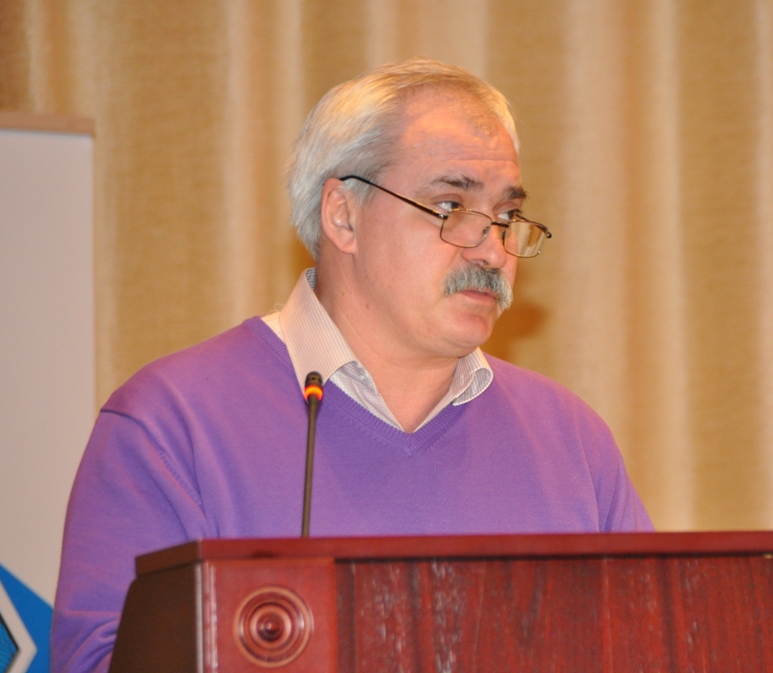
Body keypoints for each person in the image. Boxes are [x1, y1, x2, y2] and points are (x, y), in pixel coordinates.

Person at [50, 58, 652, 673]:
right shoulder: (171, 425)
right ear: (343, 215)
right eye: (451, 206)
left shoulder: (571, 440)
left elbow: (653, 645)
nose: (493, 250)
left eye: (505, 216)